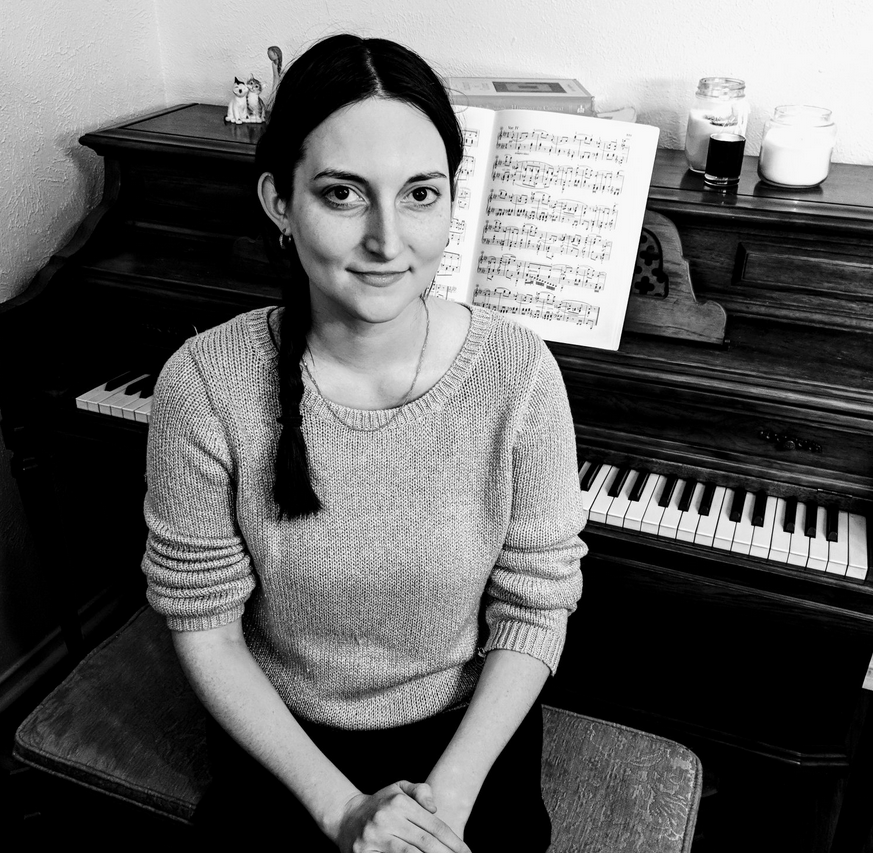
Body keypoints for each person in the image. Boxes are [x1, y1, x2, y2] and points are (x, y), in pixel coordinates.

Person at [141, 33, 587, 852]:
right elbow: (205, 625)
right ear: (280, 201)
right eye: (343, 194)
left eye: (420, 194)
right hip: (284, 743)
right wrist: (343, 810)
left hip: (466, 741)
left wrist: (444, 805)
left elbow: (536, 605)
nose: (388, 239)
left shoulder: (520, 372)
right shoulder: (204, 383)